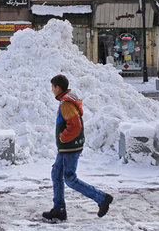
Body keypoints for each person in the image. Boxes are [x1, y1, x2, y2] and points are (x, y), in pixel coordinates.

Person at [42, 74, 113, 221]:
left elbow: (75, 126)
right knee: (56, 173)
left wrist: (63, 137)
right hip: (67, 147)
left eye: (52, 87)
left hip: (69, 147)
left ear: (58, 87)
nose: (51, 90)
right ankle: (59, 209)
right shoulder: (66, 100)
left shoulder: (66, 104)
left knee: (69, 178)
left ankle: (102, 198)